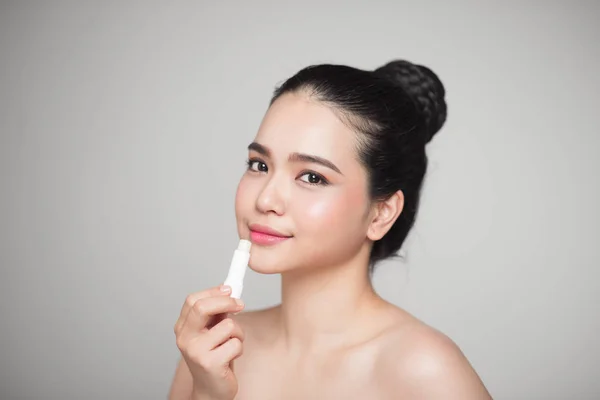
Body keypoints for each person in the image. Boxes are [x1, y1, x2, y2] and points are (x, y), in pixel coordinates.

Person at [169, 60, 493, 399]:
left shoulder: (424, 370)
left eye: (312, 177)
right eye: (259, 165)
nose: (265, 199)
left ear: (381, 213)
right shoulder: (213, 350)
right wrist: (207, 393)